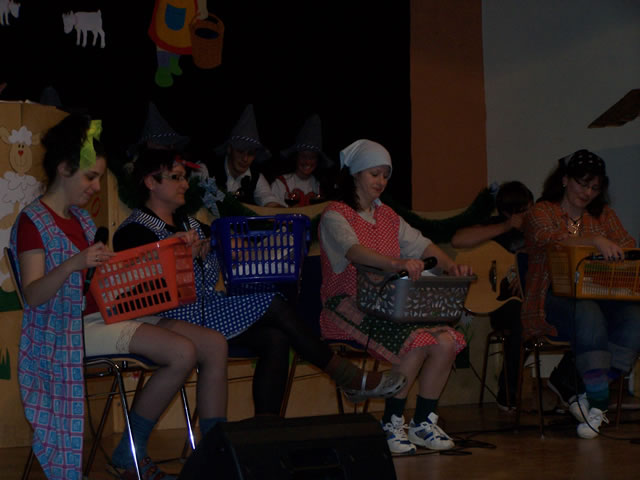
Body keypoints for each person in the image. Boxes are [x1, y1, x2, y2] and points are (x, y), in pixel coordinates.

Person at [10, 115, 229, 480]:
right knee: (181, 352)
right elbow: (33, 295)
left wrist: (173, 251)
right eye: (90, 177)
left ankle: (215, 454)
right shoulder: (34, 221)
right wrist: (74, 264)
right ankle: (129, 453)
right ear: (64, 169)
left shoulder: (81, 220)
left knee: (213, 343)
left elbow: (112, 280)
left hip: (106, 314)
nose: (97, 187)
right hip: (65, 329)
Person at [113, 147, 407, 418]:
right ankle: (346, 376)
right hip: (169, 319)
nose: (185, 185)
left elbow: (236, 251)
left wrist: (239, 247)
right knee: (273, 304)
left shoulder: (193, 225)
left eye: (184, 178)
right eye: (176, 178)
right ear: (150, 182)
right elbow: (142, 289)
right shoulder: (133, 231)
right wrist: (174, 254)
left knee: (275, 338)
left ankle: (267, 430)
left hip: (206, 313)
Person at [318, 139, 473, 454]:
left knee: (446, 341)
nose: (381, 181)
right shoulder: (336, 214)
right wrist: (396, 263)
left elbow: (423, 245)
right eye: (374, 174)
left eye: (385, 175)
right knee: (415, 340)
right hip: (347, 305)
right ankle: (390, 423)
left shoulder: (387, 216)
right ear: (355, 174)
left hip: (388, 305)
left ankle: (423, 422)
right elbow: (354, 252)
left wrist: (451, 266)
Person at [521, 149, 640, 439]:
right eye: (582, 184)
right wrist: (595, 240)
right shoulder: (541, 211)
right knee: (587, 311)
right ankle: (597, 402)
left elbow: (627, 245)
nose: (587, 193)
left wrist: (613, 247)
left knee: (634, 317)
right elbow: (551, 239)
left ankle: (587, 387)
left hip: (599, 296)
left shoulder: (604, 215)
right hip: (549, 300)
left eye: (594, 188)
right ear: (565, 180)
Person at [451, 181, 534, 410]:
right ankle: (508, 393)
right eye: (520, 211)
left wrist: (525, 272)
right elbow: (458, 240)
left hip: (533, 301)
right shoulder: (496, 225)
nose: (525, 215)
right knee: (520, 319)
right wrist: (506, 226)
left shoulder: (537, 230)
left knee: (536, 317)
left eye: (528, 208)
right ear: (506, 212)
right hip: (502, 304)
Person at [208, 104, 282, 207]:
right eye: (240, 151)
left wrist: (281, 210)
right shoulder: (207, 170)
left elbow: (268, 198)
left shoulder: (256, 177)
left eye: (250, 153)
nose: (245, 158)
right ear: (229, 149)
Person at [271, 114, 333, 207]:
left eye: (312, 157)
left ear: (317, 160)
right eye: (303, 156)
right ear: (296, 157)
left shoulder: (319, 186)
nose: (307, 162)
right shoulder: (279, 184)